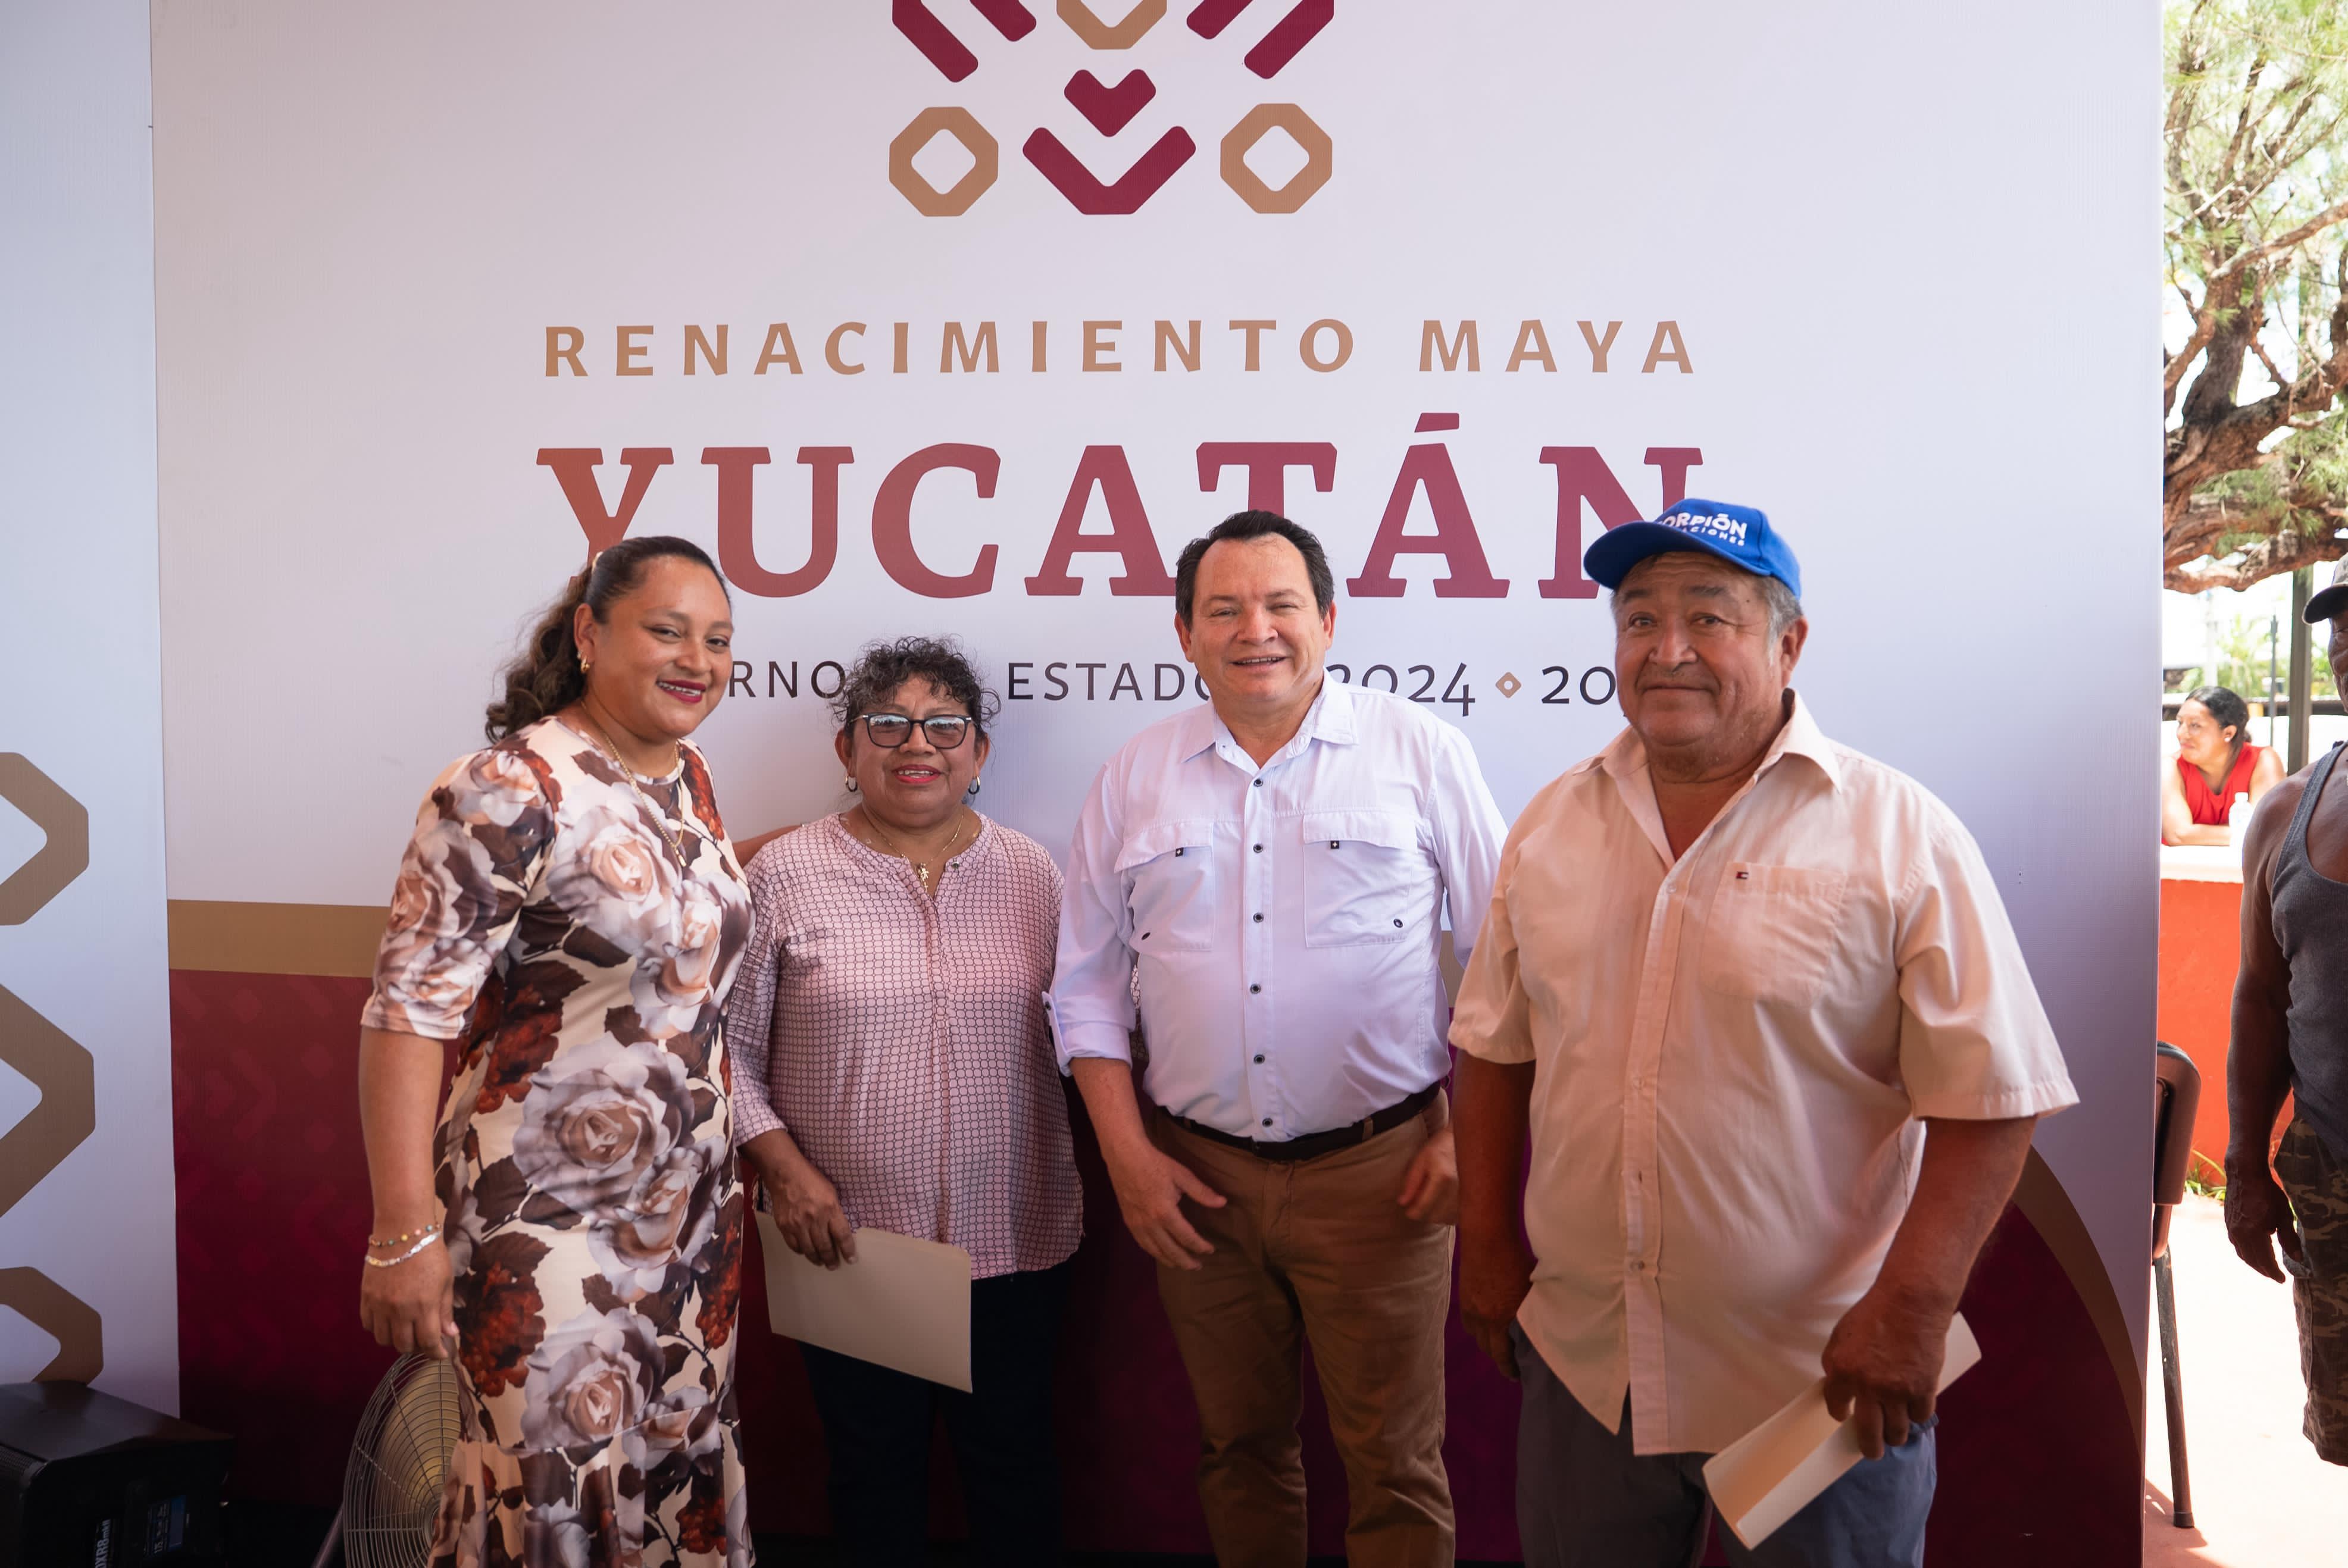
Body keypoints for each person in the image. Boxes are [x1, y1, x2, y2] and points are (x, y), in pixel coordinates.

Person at [1450, 499, 2078, 1568]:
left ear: (1790, 645)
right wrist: (1489, 1244)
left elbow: (1991, 1097)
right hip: (1589, 1361)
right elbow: (1494, 1048)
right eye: (1639, 619)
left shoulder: (1899, 833)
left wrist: (1912, 1308)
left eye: (1710, 616)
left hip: (1820, 1376)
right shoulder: (1551, 824)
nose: (1668, 648)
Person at [1050, 509, 1505, 1568]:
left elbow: (1505, 964)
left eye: (1281, 604)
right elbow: (1085, 990)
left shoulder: (1420, 752)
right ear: (1185, 632)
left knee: (1396, 1464)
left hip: (1384, 1178)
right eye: (1224, 609)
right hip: (1197, 1180)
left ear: (1329, 620)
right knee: (1239, 1450)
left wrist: (1467, 1142)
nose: (1255, 629)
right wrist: (1129, 1160)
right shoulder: (1134, 776)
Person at [357, 536, 756, 1567]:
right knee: (555, 1493)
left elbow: (665, 952)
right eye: (667, 631)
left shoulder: (689, 775)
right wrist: (402, 1231)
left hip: (691, 1221)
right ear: (589, 632)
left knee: (668, 1470)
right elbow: (409, 1014)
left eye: (718, 640)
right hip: (547, 1222)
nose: (698, 660)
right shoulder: (506, 785)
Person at [727, 637, 1083, 1568]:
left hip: (1014, 1236)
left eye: (943, 725)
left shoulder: (1034, 873)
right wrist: (785, 1172)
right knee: (873, 1474)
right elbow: (725, 1051)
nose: (915, 742)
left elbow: (1085, 1033)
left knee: (1014, 1468)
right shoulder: (784, 873)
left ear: (979, 751)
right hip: (849, 1240)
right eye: (886, 723)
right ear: (848, 749)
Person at [2225, 558, 2348, 1466]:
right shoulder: (2285, 810)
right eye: (2343, 622)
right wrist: (2243, 1163)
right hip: (2330, 1171)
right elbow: (2261, 996)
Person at [2162, 683, 2282, 844]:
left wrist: (2196, 834)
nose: (2181, 733)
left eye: (2195, 725)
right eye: (2180, 723)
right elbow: (2178, 834)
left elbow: (2268, 829)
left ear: (2228, 733)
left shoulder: (2263, 759)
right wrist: (2246, 833)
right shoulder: (2171, 766)